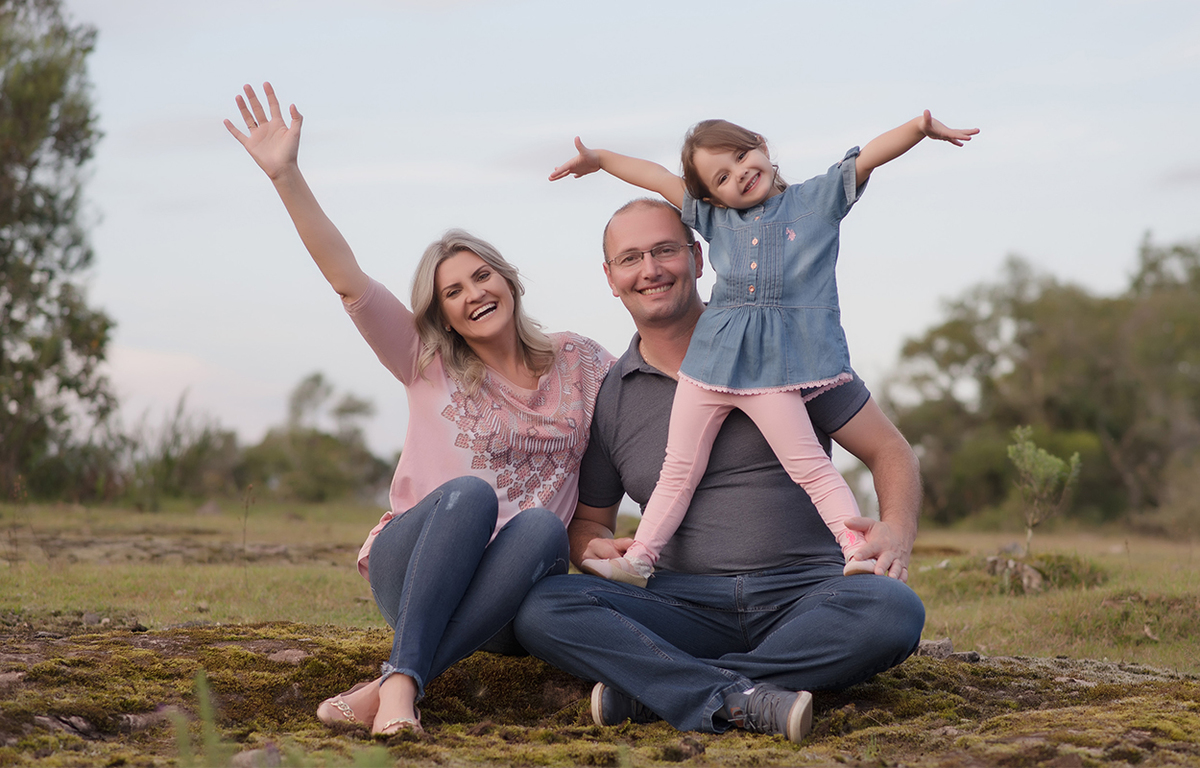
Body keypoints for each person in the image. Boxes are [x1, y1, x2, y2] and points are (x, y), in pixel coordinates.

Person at [224, 83, 613, 736]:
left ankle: (390, 683)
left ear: (507, 280)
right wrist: (287, 176)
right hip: (417, 568)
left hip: (512, 591)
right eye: (453, 292)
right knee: (469, 496)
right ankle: (404, 684)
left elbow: (655, 394)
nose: (473, 294)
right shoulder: (425, 361)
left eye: (482, 276)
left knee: (543, 528)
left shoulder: (581, 361)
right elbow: (346, 276)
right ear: (442, 316)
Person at [512, 198, 927, 742]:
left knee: (890, 609)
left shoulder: (782, 345)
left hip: (806, 594)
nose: (651, 269)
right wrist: (588, 547)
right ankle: (740, 694)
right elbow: (590, 523)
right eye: (631, 258)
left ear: (699, 256)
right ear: (611, 278)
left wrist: (895, 530)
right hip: (680, 604)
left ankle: (661, 692)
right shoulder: (613, 394)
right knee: (543, 607)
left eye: (665, 250)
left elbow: (890, 451)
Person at [548, 113, 976, 586]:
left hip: (774, 370)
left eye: (740, 157)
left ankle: (854, 549)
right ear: (711, 197)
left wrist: (919, 129)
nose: (739, 175)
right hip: (709, 370)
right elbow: (657, 177)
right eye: (722, 178)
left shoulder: (814, 202)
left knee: (809, 466)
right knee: (676, 469)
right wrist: (602, 159)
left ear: (760, 146)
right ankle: (643, 557)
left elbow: (868, 158)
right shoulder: (718, 222)